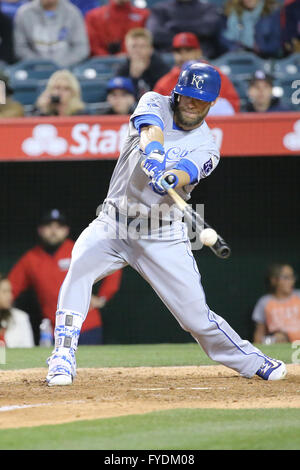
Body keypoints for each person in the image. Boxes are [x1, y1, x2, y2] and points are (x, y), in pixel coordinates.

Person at [45, 62, 286, 386]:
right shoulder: (154, 101)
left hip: (162, 233)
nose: (191, 103)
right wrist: (155, 155)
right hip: (113, 223)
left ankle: (252, 359)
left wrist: (172, 176)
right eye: (187, 96)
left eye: (199, 100)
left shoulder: (207, 146)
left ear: (211, 103)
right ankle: (62, 354)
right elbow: (150, 130)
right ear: (177, 93)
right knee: (79, 267)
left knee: (195, 318)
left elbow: (188, 170)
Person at [8, 209, 123, 345]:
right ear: (40, 230)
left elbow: (113, 268)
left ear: (67, 230)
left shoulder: (78, 250)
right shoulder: (30, 259)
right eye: (48, 226)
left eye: (59, 226)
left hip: (87, 326)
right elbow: (10, 287)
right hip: (55, 329)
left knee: (91, 365)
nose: (53, 231)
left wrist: (102, 297)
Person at [153, 32, 240, 113]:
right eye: (178, 51)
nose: (183, 56)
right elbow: (156, 110)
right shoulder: (165, 82)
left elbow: (233, 107)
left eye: (188, 50)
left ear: (198, 52)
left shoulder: (217, 76)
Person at [14, 0, 90, 68]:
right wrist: (40, 64)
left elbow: (81, 48)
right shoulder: (23, 13)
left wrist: (60, 65)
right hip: (34, 69)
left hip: (67, 69)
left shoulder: (73, 12)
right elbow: (20, 47)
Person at [146, 0, 223, 59]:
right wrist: (193, 35)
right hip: (169, 57)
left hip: (203, 56)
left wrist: (175, 26)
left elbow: (208, 28)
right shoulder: (160, 8)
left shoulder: (208, 8)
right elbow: (155, 34)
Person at [115, 28, 171, 99]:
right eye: (134, 46)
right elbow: (121, 98)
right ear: (127, 49)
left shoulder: (161, 68)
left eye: (142, 46)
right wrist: (134, 78)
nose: (138, 51)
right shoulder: (122, 70)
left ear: (151, 49)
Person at [252, 264, 300, 343]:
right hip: (279, 345)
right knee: (279, 337)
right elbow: (259, 334)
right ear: (274, 280)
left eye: (292, 277)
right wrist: (272, 340)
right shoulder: (264, 302)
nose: (292, 281)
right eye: (286, 277)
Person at [85, 0, 149, 57]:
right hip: (100, 63)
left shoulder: (143, 15)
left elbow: (141, 42)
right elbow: (93, 45)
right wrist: (108, 58)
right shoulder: (93, 17)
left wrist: (125, 54)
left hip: (132, 61)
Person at [0, 273, 34, 348]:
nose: (10, 296)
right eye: (5, 291)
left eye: (10, 291)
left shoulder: (21, 317)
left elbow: (29, 349)